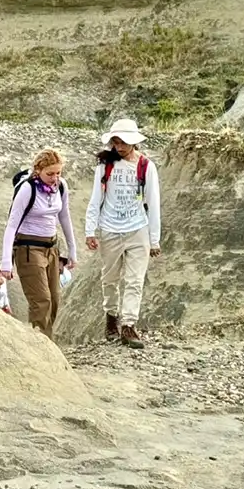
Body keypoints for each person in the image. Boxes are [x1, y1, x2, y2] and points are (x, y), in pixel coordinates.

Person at [84, 118, 162, 349]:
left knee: (135, 280)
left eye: (123, 142)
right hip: (110, 228)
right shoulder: (105, 165)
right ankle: (111, 316)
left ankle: (128, 325)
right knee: (109, 279)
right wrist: (90, 230)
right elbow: (96, 198)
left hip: (138, 228)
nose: (119, 146)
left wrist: (154, 239)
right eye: (115, 142)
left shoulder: (146, 166)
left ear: (134, 142)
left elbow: (153, 203)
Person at [0, 148, 77, 340]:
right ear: (38, 170)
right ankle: (42, 343)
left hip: (51, 247)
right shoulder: (28, 189)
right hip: (28, 248)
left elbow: (65, 217)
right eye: (49, 173)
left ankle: (45, 341)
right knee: (41, 300)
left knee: (54, 299)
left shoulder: (61, 187)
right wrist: (5, 263)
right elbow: (11, 225)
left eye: (58, 173)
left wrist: (72, 250)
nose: (54, 178)